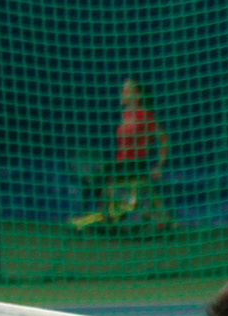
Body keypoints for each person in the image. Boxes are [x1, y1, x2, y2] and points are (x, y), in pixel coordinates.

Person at [71, 78, 172, 232]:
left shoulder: (144, 115)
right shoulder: (125, 115)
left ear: (137, 96)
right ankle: (112, 217)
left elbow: (163, 139)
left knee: (103, 180)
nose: (121, 94)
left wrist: (160, 165)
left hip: (134, 164)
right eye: (122, 90)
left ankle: (104, 219)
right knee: (98, 179)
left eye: (126, 91)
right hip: (122, 165)